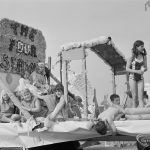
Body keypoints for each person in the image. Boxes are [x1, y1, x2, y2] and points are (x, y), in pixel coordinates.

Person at [126, 40, 147, 108]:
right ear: (136, 47)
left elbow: (146, 67)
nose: (143, 48)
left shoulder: (144, 56)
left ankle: (141, 114)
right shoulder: (131, 57)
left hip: (140, 78)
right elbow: (127, 69)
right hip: (132, 78)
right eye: (141, 46)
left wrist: (144, 69)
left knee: (141, 97)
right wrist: (137, 71)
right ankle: (134, 114)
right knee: (134, 97)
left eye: (143, 46)